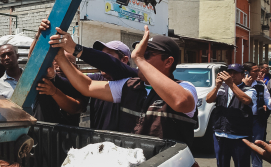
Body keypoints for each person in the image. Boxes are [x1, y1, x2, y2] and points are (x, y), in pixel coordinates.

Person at [50, 25, 198, 146]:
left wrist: (139, 59)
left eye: (147, 54)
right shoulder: (129, 86)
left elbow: (181, 102)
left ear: (168, 62)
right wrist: (61, 57)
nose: (138, 57)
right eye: (139, 52)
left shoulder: (185, 87)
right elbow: (87, 86)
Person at [36, 19, 137, 130]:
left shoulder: (133, 83)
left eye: (106, 56)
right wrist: (53, 74)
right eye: (100, 56)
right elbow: (78, 85)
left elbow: (77, 106)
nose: (100, 62)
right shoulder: (96, 79)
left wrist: (75, 49)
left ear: (124, 60)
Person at [206, 64, 255, 167]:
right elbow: (208, 99)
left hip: (240, 135)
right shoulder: (222, 88)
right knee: (222, 165)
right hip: (221, 134)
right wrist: (216, 86)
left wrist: (231, 85)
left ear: (242, 74)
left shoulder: (249, 89)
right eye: (229, 72)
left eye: (235, 73)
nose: (231, 75)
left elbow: (246, 100)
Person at [28, 21, 87, 125]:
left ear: (76, 67)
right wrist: (39, 36)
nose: (59, 66)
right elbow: (33, 63)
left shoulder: (82, 86)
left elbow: (76, 108)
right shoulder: (46, 79)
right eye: (56, 61)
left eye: (66, 63)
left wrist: (54, 92)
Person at [243, 62, 271, 167]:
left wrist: (268, 105)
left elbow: (268, 100)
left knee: (257, 145)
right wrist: (244, 86)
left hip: (258, 120)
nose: (259, 73)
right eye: (255, 71)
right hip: (242, 121)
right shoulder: (239, 85)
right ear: (247, 72)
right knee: (242, 146)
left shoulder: (261, 85)